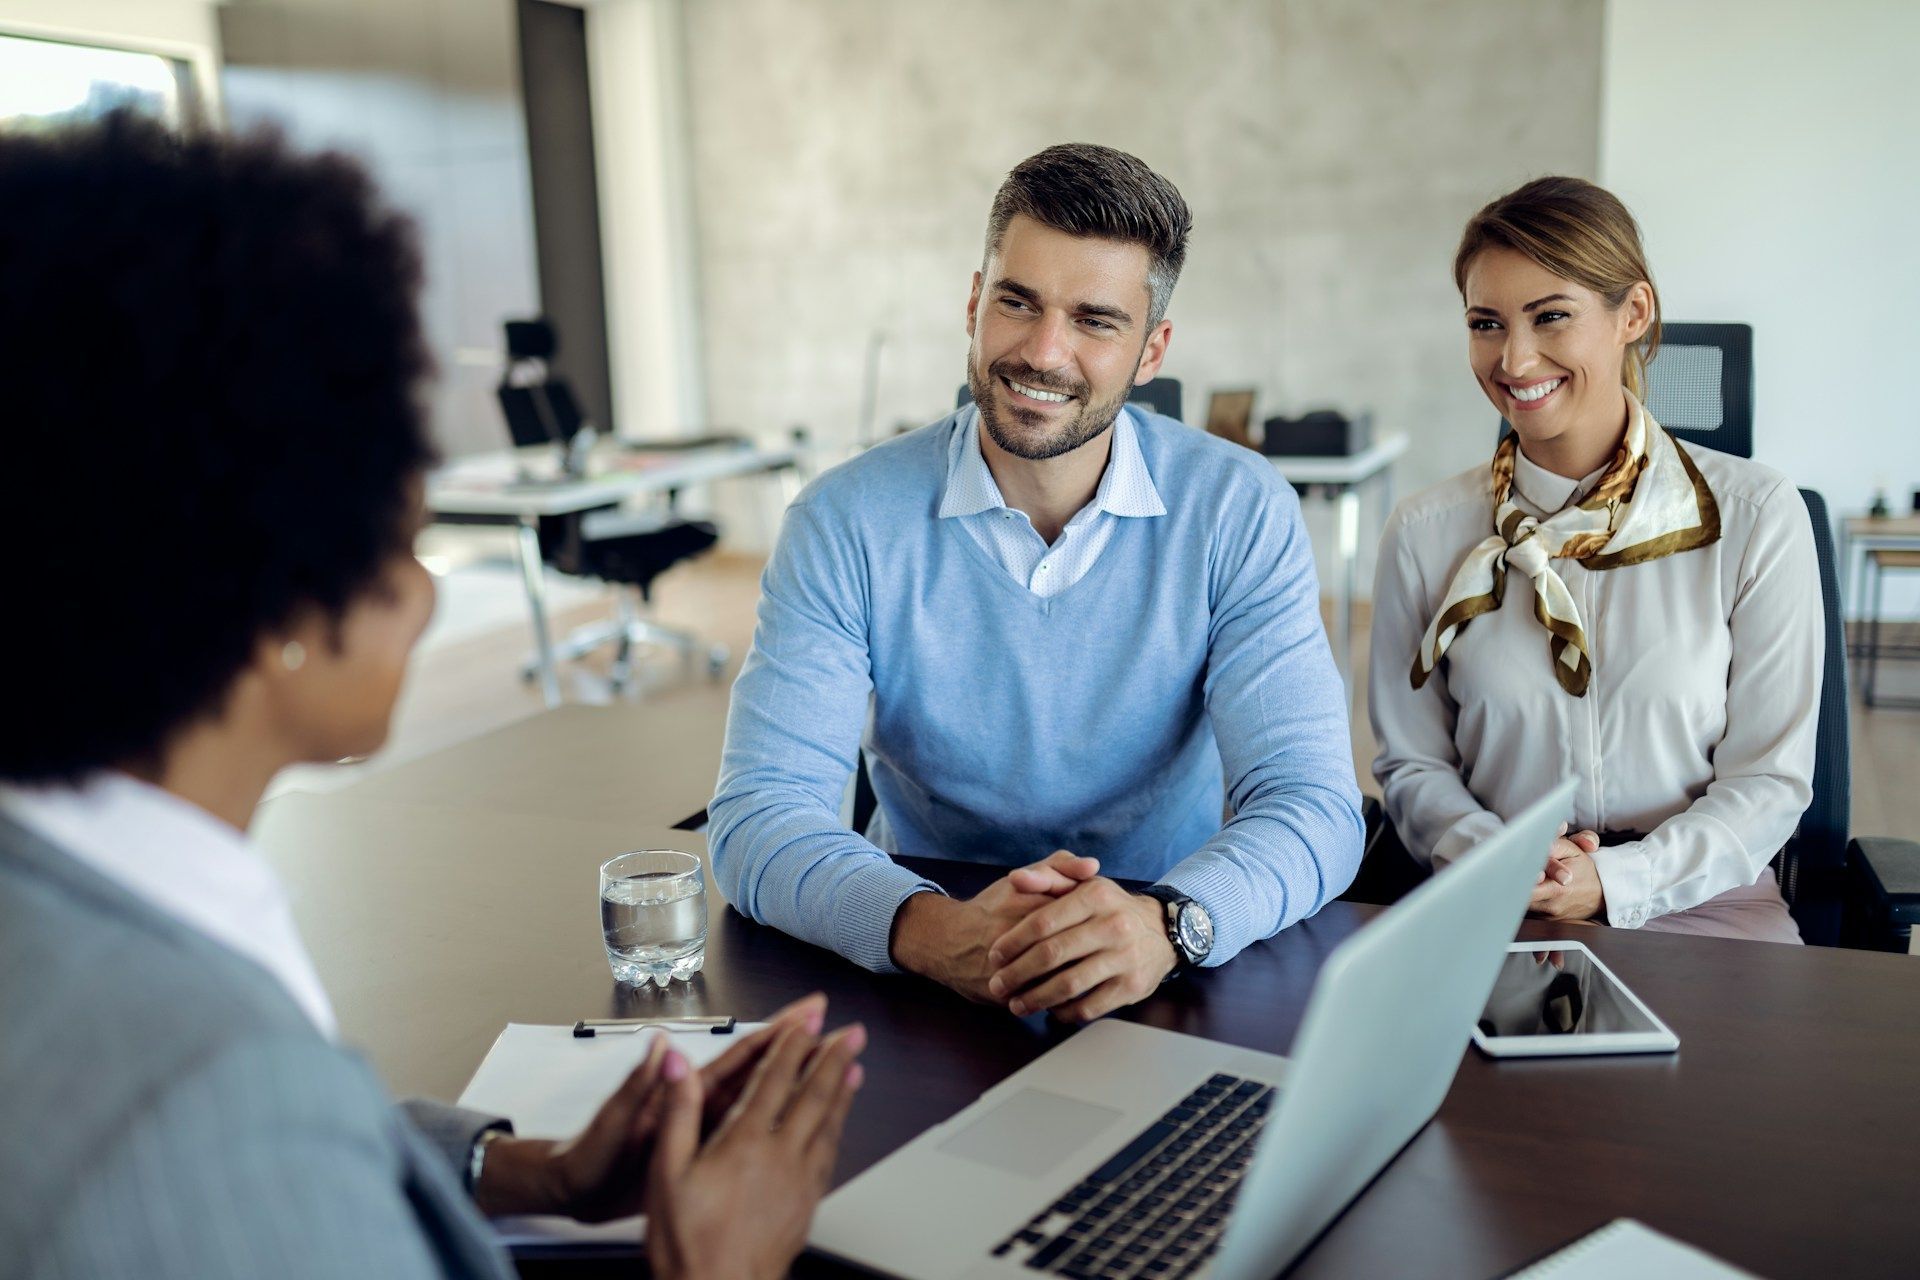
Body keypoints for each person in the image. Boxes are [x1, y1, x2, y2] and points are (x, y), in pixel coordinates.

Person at [0, 114, 864, 1280]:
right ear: (274, 606)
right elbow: (225, 1143)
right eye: (399, 542)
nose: (418, 591)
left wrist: (524, 1168)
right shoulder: (188, 1095)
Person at [710, 143, 1362, 1021]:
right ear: (975, 303)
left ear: (1151, 350)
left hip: (1167, 951)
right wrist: (934, 931)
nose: (1043, 352)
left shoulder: (1240, 509)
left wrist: (1170, 924)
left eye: (1096, 320)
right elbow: (758, 817)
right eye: (1018, 303)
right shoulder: (844, 520)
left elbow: (1314, 804)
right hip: (923, 954)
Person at [1368, 176, 1819, 943]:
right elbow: (1412, 766)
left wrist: (1615, 880)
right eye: (1486, 323)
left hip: (1701, 896)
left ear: (1632, 315)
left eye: (1551, 317)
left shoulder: (1755, 516)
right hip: (1494, 892)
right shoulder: (1424, 531)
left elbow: (1768, 781)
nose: (1513, 358)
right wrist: (1503, 857)